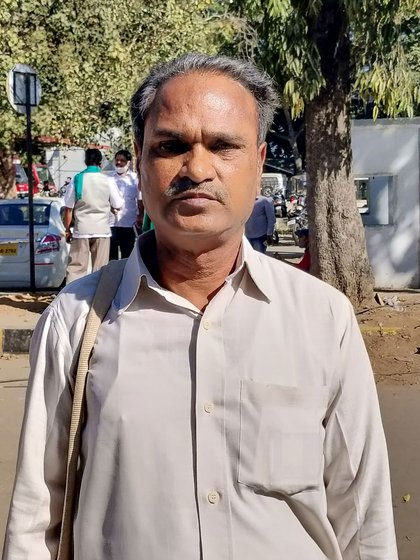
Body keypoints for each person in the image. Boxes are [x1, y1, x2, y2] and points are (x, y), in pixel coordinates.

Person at [3, 53, 397, 560]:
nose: (196, 168)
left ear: (257, 165)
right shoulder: (78, 318)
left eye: (223, 145)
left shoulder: (322, 318)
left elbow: (363, 517)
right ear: (141, 165)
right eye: (171, 146)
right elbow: (36, 522)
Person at [62, 148, 123, 283]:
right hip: (102, 230)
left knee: (76, 269)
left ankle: (71, 301)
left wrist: (67, 229)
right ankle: (97, 302)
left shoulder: (77, 179)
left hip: (81, 230)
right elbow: (118, 203)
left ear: (85, 161)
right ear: (100, 161)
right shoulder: (107, 180)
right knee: (100, 270)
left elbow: (68, 209)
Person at [109, 149, 141, 260]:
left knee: (127, 257)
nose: (118, 163)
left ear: (128, 162)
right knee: (111, 258)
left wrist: (140, 216)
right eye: (117, 160)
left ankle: (126, 277)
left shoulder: (135, 179)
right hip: (111, 224)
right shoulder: (109, 179)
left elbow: (140, 199)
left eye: (122, 160)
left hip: (128, 223)